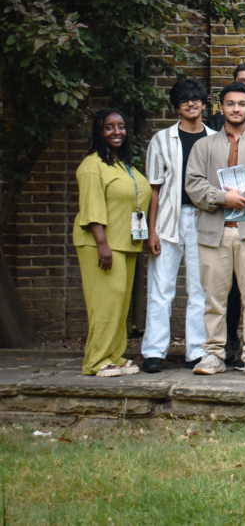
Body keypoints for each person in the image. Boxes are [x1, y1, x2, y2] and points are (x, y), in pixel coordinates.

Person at [185, 82, 245, 378]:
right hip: (214, 230)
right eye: (230, 104)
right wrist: (221, 197)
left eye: (242, 104)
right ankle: (214, 354)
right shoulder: (204, 145)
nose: (236, 109)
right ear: (221, 108)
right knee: (214, 297)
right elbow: (193, 184)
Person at [141, 79, 216, 373]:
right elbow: (154, 189)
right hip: (168, 221)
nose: (191, 103)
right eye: (184, 100)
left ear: (203, 103)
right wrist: (152, 230)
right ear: (177, 106)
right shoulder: (161, 140)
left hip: (203, 220)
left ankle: (196, 351)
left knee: (200, 289)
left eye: (196, 98)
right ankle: (154, 351)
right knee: (161, 288)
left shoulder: (214, 138)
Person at [73, 109, 153, 377]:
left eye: (121, 126)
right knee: (105, 303)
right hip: (102, 244)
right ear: (99, 132)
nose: (116, 132)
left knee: (119, 304)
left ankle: (114, 356)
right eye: (109, 127)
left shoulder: (122, 163)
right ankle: (96, 361)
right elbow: (92, 206)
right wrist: (102, 244)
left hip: (125, 242)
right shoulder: (92, 165)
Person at [213, 62, 245, 365]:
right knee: (221, 294)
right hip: (219, 224)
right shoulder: (212, 137)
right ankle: (222, 348)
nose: (237, 108)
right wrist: (223, 197)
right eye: (242, 82)